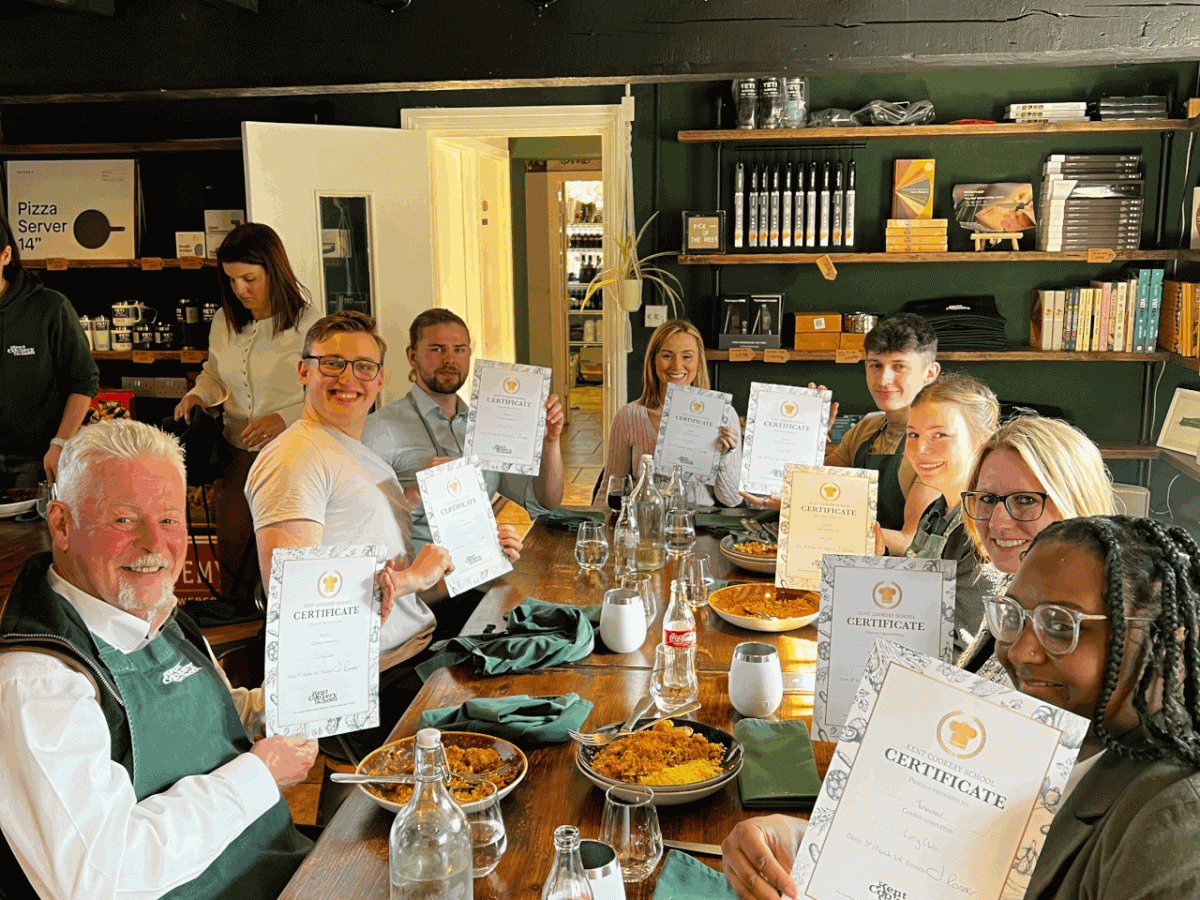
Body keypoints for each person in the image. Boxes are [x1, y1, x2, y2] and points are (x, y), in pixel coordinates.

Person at [722, 515, 1200, 900]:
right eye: (1013, 617)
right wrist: (807, 841)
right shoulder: (1033, 738)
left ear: (1163, 645)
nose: (1019, 652)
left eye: (1060, 625)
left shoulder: (1176, 825)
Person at [0, 419, 314, 900]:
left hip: (281, 869)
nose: (154, 544)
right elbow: (100, 880)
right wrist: (259, 773)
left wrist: (318, 683)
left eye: (169, 519)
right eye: (124, 520)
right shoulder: (38, 682)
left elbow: (219, 719)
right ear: (61, 524)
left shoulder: (161, 615)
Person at [246, 311, 521, 754]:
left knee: (532, 643)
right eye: (332, 363)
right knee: (519, 735)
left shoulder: (357, 455)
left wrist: (476, 559)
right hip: (370, 682)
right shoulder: (295, 459)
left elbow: (402, 600)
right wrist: (413, 577)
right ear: (304, 369)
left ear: (379, 379)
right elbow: (298, 609)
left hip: (411, 651)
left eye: (363, 367)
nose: (348, 379)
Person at [174, 223, 323, 605]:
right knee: (234, 552)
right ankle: (238, 639)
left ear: (275, 270)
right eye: (232, 279)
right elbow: (212, 374)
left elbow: (327, 390)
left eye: (250, 278)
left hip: (294, 456)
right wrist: (196, 396)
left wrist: (285, 417)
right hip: (236, 454)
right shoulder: (224, 321)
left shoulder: (310, 324)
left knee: (286, 554)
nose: (241, 289)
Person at [363, 307, 564, 550]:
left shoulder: (487, 426)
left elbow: (545, 500)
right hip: (416, 580)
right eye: (437, 350)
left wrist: (550, 443)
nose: (450, 360)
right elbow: (358, 518)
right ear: (412, 356)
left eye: (459, 350)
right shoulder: (379, 429)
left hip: (481, 569)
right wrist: (423, 492)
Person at [741, 313, 939, 547]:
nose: (884, 379)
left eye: (900, 366)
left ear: (930, 373)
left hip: (901, 577)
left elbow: (910, 543)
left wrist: (832, 524)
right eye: (876, 365)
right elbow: (815, 490)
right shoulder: (867, 427)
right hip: (847, 564)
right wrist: (811, 437)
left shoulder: (936, 443)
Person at [958, 415, 1116, 677]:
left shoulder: (1094, 620)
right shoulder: (1013, 582)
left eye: (1025, 500)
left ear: (1075, 502)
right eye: (986, 498)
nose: (997, 523)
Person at [900, 372, 1002, 650]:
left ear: (983, 441)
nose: (920, 448)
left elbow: (967, 648)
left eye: (940, 435)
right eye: (913, 434)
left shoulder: (985, 528)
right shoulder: (937, 512)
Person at [593, 319, 741, 507]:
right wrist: (596, 528)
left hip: (700, 527)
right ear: (653, 360)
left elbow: (732, 500)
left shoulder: (725, 415)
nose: (677, 366)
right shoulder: (628, 417)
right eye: (667, 356)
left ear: (698, 361)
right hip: (645, 524)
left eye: (687, 356)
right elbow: (610, 488)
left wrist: (725, 456)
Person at [0, 208, 98, 489]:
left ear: (6, 255)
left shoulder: (49, 308)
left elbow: (83, 382)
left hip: (37, 460)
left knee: (37, 533)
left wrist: (60, 444)